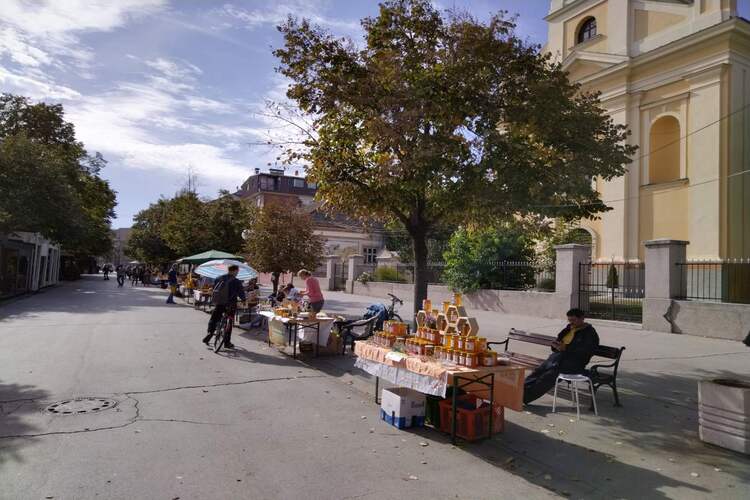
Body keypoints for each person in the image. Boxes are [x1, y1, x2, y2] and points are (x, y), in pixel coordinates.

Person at [523, 308, 600, 405]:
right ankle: (519, 392)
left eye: (573, 320)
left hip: (574, 364)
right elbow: (559, 341)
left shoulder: (589, 333)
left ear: (582, 318)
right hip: (557, 358)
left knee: (548, 376)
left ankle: (524, 397)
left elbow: (587, 351)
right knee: (538, 371)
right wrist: (555, 346)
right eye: (569, 320)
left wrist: (566, 349)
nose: (571, 323)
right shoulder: (569, 328)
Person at [202, 265, 246, 349]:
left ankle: (210, 333)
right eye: (237, 271)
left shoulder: (219, 278)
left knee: (214, 318)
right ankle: (226, 342)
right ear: (234, 271)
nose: (237, 273)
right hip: (231, 304)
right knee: (229, 322)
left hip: (220, 303)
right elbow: (241, 293)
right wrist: (243, 300)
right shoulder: (236, 281)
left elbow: (214, 289)